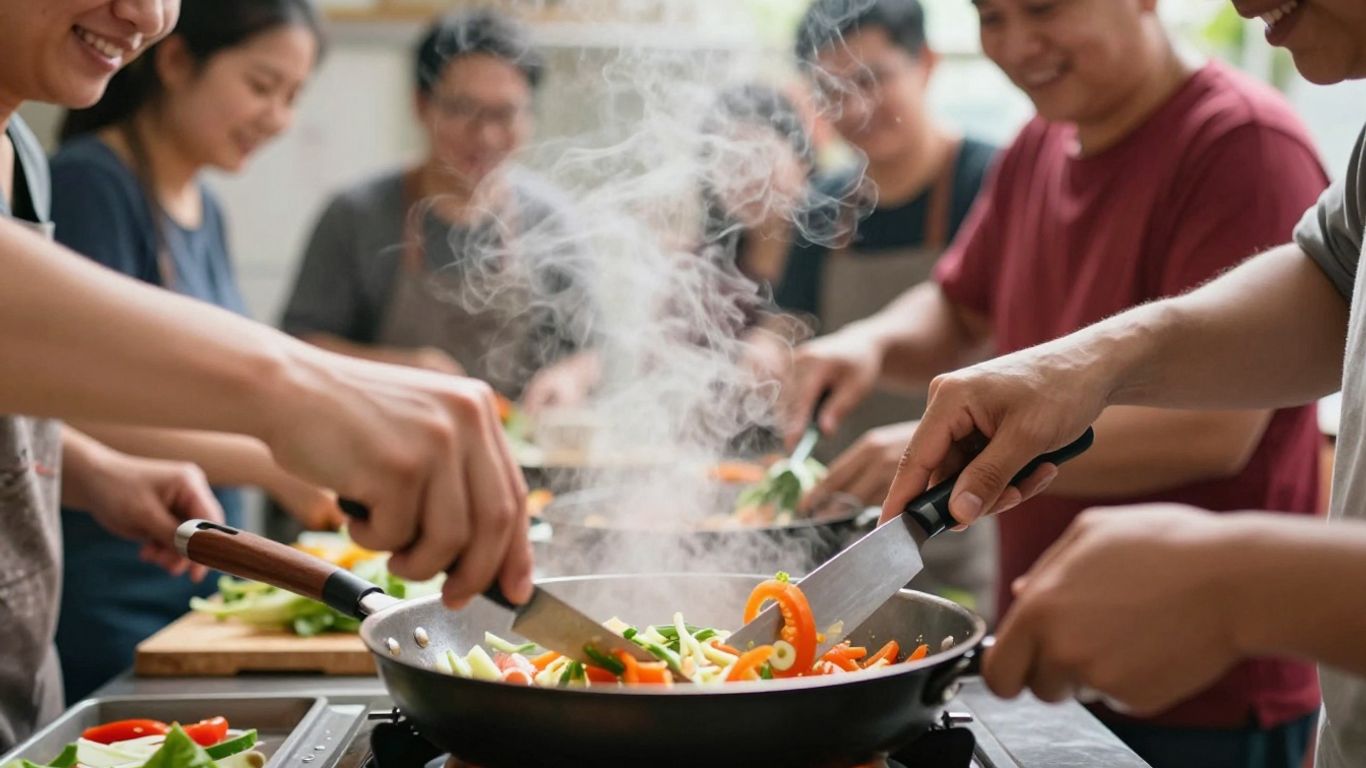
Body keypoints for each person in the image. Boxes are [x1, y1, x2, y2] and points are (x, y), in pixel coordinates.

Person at [786, 0, 1331, 764]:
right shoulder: (1039, 144)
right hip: (1050, 653)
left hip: (1202, 688)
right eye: (991, 16)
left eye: (1043, 8)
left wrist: (984, 453)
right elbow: (956, 303)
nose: (1015, 44)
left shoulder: (1242, 143)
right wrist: (868, 346)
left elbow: (1214, 431)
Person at [0, 0, 530, 749]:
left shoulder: (23, 157)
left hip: (25, 674)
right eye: (262, 84)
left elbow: (31, 380)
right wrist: (297, 400)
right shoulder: (94, 179)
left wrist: (92, 470)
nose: (148, 12)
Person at [46, 0, 343, 701]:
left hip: (199, 597)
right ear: (176, 62)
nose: (278, 118)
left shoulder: (204, 208)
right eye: (262, 85)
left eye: (294, 96)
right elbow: (73, 408)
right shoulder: (92, 182)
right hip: (114, 602)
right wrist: (276, 465)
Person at [281, 9, 594, 414]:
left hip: (523, 467)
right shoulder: (357, 216)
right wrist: (403, 371)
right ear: (421, 104)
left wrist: (566, 381)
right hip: (382, 455)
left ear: (530, 117)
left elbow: (586, 353)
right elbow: (299, 347)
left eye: (505, 114)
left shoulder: (552, 221)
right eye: (463, 109)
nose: (484, 135)